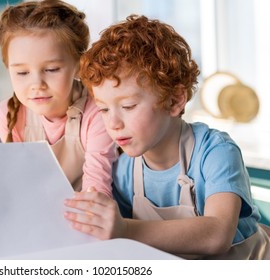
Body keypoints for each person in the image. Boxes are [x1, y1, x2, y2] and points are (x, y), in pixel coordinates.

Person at [64, 15, 270, 259]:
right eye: (104, 109)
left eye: (128, 106)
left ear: (174, 100)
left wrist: (125, 229)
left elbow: (217, 234)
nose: (113, 123)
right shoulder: (124, 171)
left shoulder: (216, 151)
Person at [0, 0, 117, 196]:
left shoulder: (98, 112)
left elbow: (97, 193)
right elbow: (23, 188)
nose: (37, 84)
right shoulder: (8, 115)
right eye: (22, 73)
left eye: (51, 70)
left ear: (78, 65)